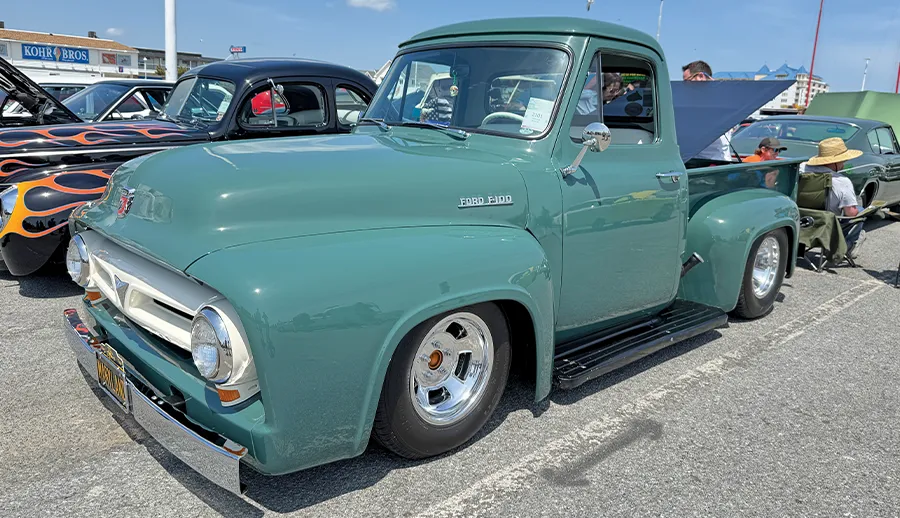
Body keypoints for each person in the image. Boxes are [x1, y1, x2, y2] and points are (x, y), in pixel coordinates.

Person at [800, 137, 866, 257]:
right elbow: (850, 213)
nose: (844, 163)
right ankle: (845, 246)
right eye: (843, 160)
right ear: (834, 161)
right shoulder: (842, 181)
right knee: (860, 211)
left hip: (802, 219)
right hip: (828, 224)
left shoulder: (801, 169)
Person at [683, 60, 732, 161]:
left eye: (687, 81)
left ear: (700, 76)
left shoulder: (719, 98)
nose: (684, 86)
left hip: (714, 162)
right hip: (696, 160)